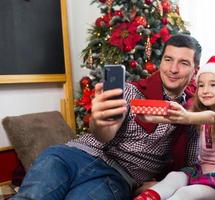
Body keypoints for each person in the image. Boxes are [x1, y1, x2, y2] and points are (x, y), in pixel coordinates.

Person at [11, 34, 202, 200]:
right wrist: (100, 122)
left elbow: (191, 165)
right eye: (168, 59)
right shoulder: (129, 91)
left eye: (183, 63)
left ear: (196, 69)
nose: (173, 69)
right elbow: (104, 133)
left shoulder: (193, 115)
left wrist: (163, 185)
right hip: (74, 155)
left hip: (117, 176)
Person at [134, 56, 215, 200]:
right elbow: (174, 118)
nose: (205, 90)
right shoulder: (199, 114)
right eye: (201, 85)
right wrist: (148, 118)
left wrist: (187, 117)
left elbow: (213, 117)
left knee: (186, 193)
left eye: (213, 85)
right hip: (200, 173)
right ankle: (149, 197)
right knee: (174, 176)